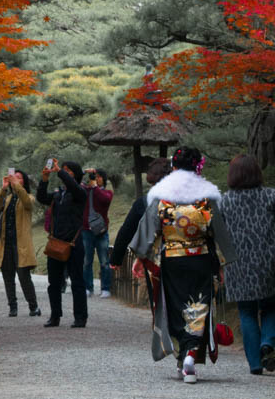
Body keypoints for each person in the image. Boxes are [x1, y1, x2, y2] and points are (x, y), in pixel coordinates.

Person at [129, 145, 235, 384]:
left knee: (176, 307)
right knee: (198, 306)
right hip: (201, 258)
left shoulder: (163, 196)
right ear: (198, 167)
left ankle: (183, 357)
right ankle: (188, 356)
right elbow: (219, 232)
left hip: (173, 260)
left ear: (174, 166)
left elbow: (148, 229)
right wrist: (223, 262)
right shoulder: (206, 197)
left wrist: (139, 258)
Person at [218, 154, 275, 376]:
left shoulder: (224, 201)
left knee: (247, 311)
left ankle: (254, 364)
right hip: (269, 260)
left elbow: (219, 234)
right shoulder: (271, 196)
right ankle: (268, 341)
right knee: (271, 306)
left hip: (237, 262)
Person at [37, 159, 88, 327]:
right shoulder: (59, 194)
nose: (65, 172)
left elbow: (74, 186)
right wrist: (44, 179)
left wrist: (60, 171)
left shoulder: (80, 192)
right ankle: (55, 315)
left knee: (77, 281)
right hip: (56, 243)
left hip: (74, 243)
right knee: (54, 283)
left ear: (76, 174)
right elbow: (42, 197)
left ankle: (80, 317)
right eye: (64, 170)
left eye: (69, 170)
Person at [0, 168, 40, 317]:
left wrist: (16, 185)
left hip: (21, 246)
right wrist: (3, 188)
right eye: (13, 177)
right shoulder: (7, 199)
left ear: (23, 181)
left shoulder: (29, 197)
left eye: (18, 178)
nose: (14, 180)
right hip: (6, 244)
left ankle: (33, 307)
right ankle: (13, 307)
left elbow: (27, 201)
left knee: (24, 277)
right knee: (8, 277)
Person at [110, 158, 172, 269]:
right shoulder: (188, 199)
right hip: (187, 256)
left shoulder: (144, 202)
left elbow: (127, 230)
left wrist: (116, 258)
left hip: (154, 258)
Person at [81, 168, 114, 298]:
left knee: (104, 261)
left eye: (99, 177)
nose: (96, 179)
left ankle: (105, 288)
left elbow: (105, 201)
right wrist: (83, 172)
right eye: (95, 177)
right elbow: (74, 183)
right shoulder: (84, 190)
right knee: (86, 261)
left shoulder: (107, 192)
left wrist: (95, 187)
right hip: (86, 230)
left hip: (101, 231)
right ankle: (87, 287)